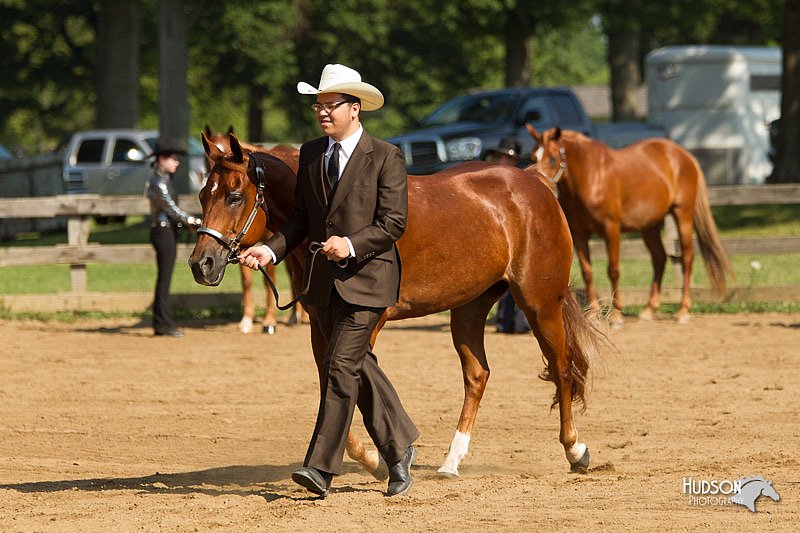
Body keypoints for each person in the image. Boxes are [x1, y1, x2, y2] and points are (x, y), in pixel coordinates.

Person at [238, 64, 418, 498]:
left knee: (339, 367)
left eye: (330, 105)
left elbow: (393, 223)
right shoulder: (313, 152)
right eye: (318, 105)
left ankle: (320, 468)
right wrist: (271, 249)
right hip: (322, 284)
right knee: (358, 366)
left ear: (355, 109)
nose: (321, 112)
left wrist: (352, 244)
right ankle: (400, 447)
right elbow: (301, 218)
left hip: (369, 278)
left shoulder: (387, 156)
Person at [146, 139, 202, 337]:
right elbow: (170, 208)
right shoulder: (159, 182)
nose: (177, 163)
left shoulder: (162, 180)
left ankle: (162, 321)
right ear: (162, 159)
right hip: (163, 232)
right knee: (164, 278)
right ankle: (162, 323)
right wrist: (192, 220)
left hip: (166, 231)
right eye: (173, 159)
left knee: (164, 278)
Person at [484, 138, 531, 334]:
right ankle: (504, 320)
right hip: (494, 236)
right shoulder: (487, 180)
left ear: (515, 161)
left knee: (519, 280)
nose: (503, 161)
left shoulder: (520, 183)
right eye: (501, 156)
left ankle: (520, 321)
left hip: (517, 236)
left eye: (508, 158)